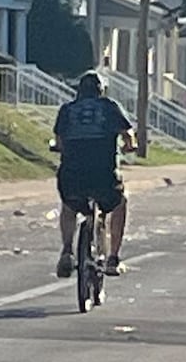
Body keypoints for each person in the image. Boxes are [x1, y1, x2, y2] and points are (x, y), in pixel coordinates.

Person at [52, 70, 136, 278]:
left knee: (69, 205)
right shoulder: (110, 107)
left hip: (72, 175)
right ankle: (113, 259)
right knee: (120, 201)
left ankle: (67, 251)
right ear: (101, 90)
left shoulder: (67, 110)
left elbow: (59, 142)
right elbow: (128, 136)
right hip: (104, 175)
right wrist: (129, 146)